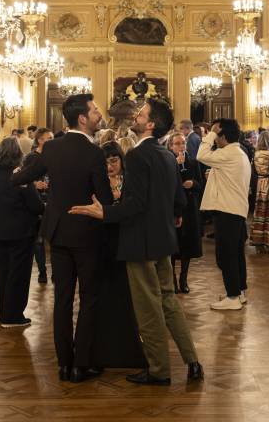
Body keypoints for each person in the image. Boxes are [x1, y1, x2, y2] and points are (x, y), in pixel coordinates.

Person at [70, 99, 203, 386]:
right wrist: (174, 218)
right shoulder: (168, 155)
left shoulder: (137, 157)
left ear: (150, 124)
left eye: (140, 114)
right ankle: (192, 362)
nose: (135, 116)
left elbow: (136, 204)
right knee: (168, 301)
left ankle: (159, 370)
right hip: (164, 240)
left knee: (148, 308)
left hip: (140, 242)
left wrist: (104, 212)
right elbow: (178, 200)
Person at [12, 93, 112, 384]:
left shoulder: (52, 148)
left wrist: (21, 176)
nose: (98, 114)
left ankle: (64, 364)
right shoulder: (95, 153)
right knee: (89, 298)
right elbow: (104, 200)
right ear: (82, 118)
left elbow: (19, 178)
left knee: (63, 300)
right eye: (94, 110)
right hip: (86, 233)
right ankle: (82, 364)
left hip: (57, 233)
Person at [88, 141, 147, 371]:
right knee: (102, 293)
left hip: (125, 241)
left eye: (114, 160)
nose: (110, 166)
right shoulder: (97, 182)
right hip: (102, 243)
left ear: (121, 161)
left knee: (126, 294)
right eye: (105, 162)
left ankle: (128, 344)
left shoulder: (130, 181)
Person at [0, 137, 44, 328]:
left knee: (5, 273)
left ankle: (4, 313)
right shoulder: (19, 175)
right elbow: (35, 205)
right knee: (18, 275)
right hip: (20, 232)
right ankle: (13, 316)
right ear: (18, 154)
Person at [198, 118, 251, 310]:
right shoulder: (239, 153)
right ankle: (239, 291)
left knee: (226, 255)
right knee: (236, 254)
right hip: (235, 209)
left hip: (227, 210)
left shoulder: (228, 153)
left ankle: (233, 296)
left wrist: (210, 132)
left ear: (223, 136)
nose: (214, 138)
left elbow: (201, 155)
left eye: (216, 135)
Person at [167, 131, 203, 292]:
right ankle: (172, 279)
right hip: (172, 208)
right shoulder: (167, 162)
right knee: (173, 246)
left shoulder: (193, 162)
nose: (181, 146)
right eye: (177, 143)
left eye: (183, 143)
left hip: (189, 207)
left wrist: (192, 183)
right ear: (170, 146)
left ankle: (184, 278)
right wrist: (176, 165)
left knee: (187, 245)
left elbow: (200, 185)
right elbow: (165, 184)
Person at [23, 127, 54, 283]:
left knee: (54, 238)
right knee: (38, 240)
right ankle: (42, 272)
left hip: (53, 200)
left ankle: (56, 272)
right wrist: (35, 184)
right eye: (49, 138)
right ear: (40, 140)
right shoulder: (30, 158)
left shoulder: (56, 157)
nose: (52, 140)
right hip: (37, 201)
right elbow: (24, 178)